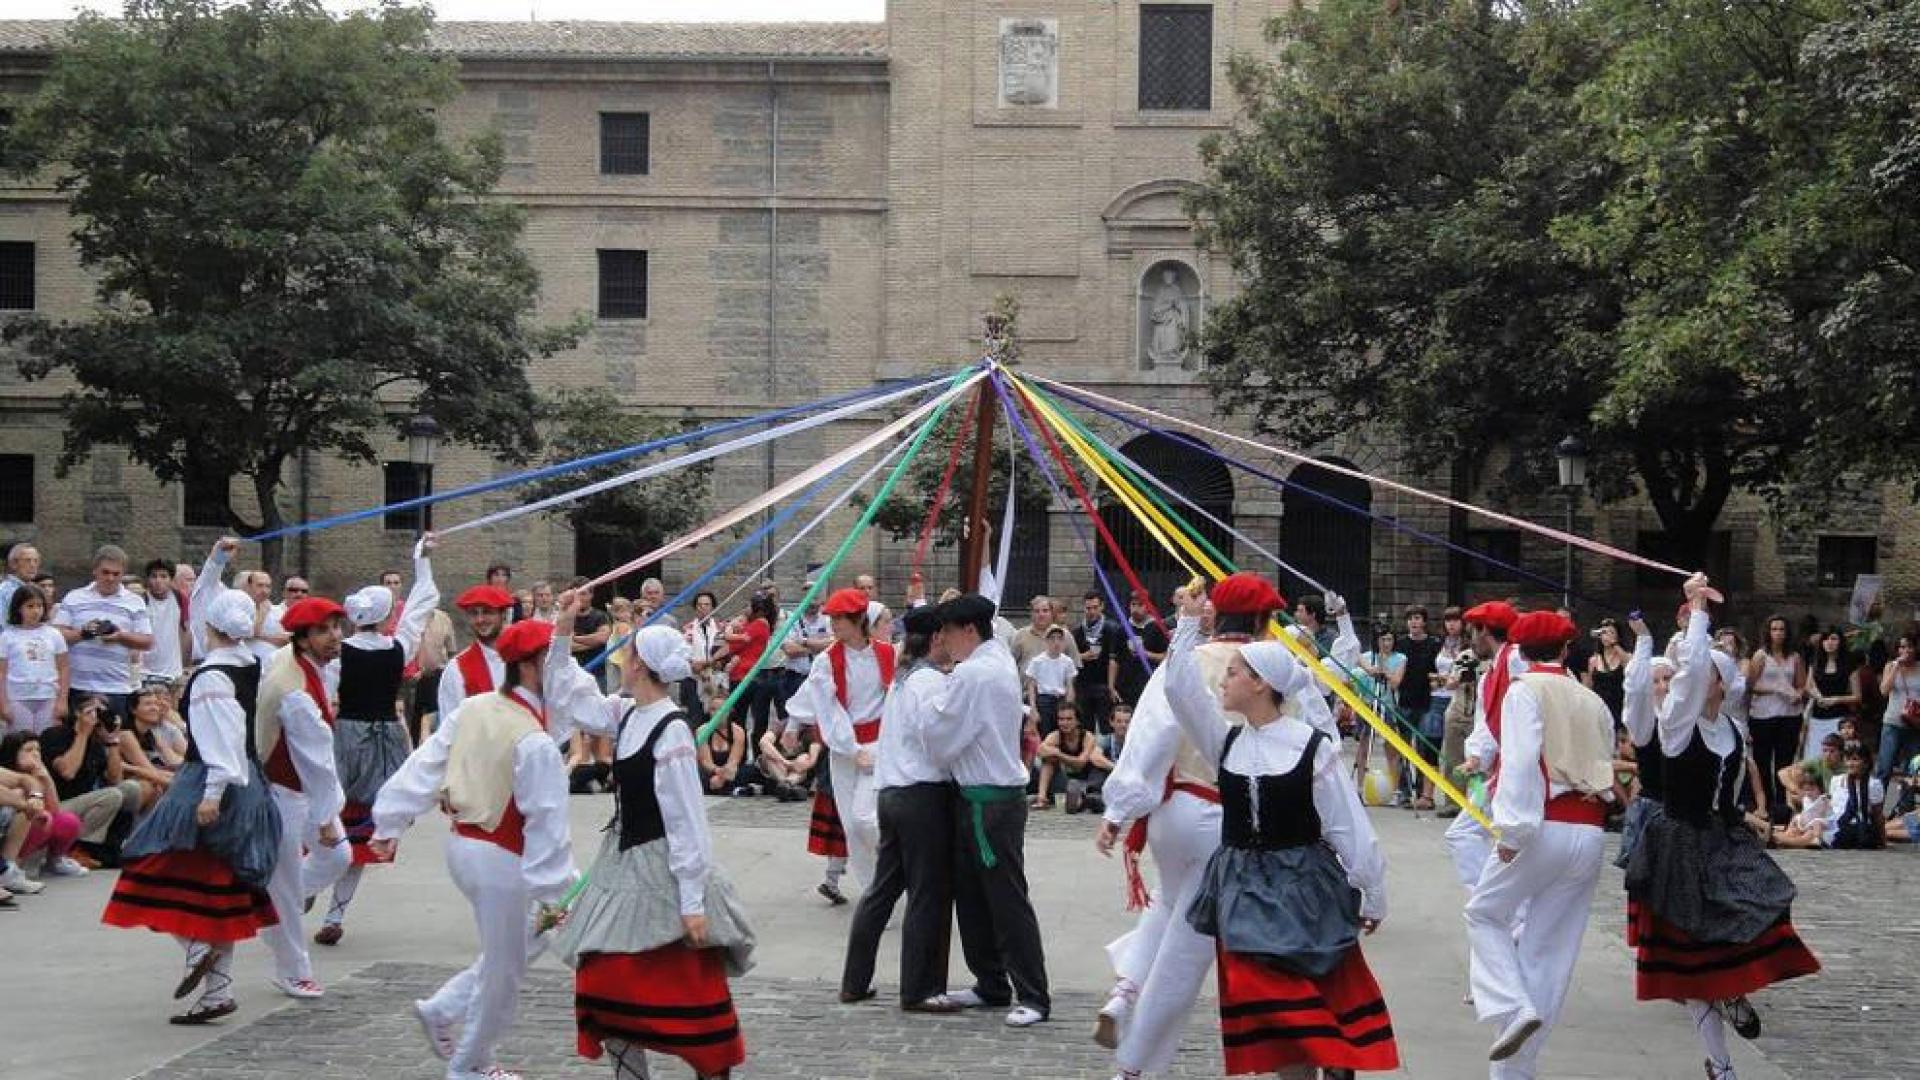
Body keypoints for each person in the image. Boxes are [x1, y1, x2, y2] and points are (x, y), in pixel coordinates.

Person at [1159, 591, 1396, 1078]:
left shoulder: (1311, 747)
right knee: (1262, 999)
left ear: (1261, 683)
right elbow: (1180, 691)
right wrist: (1186, 623)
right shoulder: (1225, 740)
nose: (1222, 679)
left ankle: (1327, 1055)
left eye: (1233, 672)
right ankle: (1321, 1054)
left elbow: (1347, 824)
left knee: (1298, 994)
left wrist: (1372, 893)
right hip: (1241, 888)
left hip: (1303, 886)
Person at [1091, 572, 1290, 1072]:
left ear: (1216, 614)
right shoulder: (1274, 671)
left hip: (1174, 812)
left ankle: (1124, 991)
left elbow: (1151, 737)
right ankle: (1134, 1066)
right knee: (1186, 954)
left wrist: (1119, 809)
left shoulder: (1185, 663)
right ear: (1263, 619)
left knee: (1167, 904)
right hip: (1227, 821)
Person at [1624, 575, 1820, 1080]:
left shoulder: (1732, 727)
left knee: (1767, 901)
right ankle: (1721, 1065)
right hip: (1679, 846)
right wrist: (1695, 611)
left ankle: (1734, 990)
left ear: (1722, 683)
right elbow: (1682, 673)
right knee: (1694, 968)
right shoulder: (1676, 724)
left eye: (1705, 672)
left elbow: (1731, 788)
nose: (1685, 679)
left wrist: (1751, 820)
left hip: (1721, 840)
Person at [547, 617, 754, 1080]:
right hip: (622, 865)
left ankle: (712, 1071)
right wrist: (562, 631)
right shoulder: (626, 713)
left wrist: (692, 902)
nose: (621, 660)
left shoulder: (672, 729)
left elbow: (687, 820)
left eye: (627, 653)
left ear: (639, 664)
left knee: (684, 991)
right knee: (602, 985)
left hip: (663, 872)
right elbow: (569, 697)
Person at [369, 618, 574, 1080]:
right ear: (529, 666)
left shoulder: (476, 708)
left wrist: (390, 819)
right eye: (552, 660)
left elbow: (425, 764)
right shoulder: (532, 739)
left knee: (528, 939)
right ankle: (471, 1065)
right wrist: (557, 891)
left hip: (468, 850)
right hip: (501, 860)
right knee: (505, 971)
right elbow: (546, 822)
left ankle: (443, 1008)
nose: (560, 669)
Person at [101, 590, 280, 1024]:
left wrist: (211, 795)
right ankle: (217, 992)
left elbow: (223, 738)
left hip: (209, 782)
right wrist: (216, 564)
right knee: (218, 888)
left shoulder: (213, 676)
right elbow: (203, 604)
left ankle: (199, 950)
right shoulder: (249, 661)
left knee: (149, 872)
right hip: (246, 780)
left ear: (210, 626)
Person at [1463, 610, 1617, 1077]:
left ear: (1519, 650)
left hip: (1543, 824)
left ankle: (1512, 1005)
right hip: (1590, 830)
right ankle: (1517, 1065)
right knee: (1549, 952)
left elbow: (1521, 761)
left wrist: (1513, 831)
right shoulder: (1592, 699)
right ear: (1566, 649)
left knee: (1484, 912)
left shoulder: (1523, 690)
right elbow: (1605, 759)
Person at [924, 593, 1050, 1028]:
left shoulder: (974, 672)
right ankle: (991, 982)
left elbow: (942, 738)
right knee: (973, 897)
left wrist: (926, 703)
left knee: (1005, 900)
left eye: (947, 632)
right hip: (984, 796)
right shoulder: (994, 658)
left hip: (989, 801)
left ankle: (1033, 993)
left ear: (969, 630)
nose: (943, 640)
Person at [315, 535, 440, 946]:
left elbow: (320, 697)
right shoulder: (397, 647)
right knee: (363, 829)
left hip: (345, 739)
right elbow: (422, 604)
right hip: (385, 743)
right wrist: (421, 559)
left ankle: (309, 886)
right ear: (387, 615)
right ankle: (334, 911)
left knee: (330, 818)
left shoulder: (338, 654)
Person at [840, 604, 960, 1010]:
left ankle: (855, 981)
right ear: (936, 638)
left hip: (891, 792)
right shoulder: (929, 681)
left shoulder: (902, 679)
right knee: (926, 893)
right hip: (920, 795)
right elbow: (938, 740)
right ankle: (919, 988)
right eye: (947, 634)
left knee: (882, 890)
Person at [253, 596, 354, 1000]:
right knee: (287, 883)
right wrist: (327, 817)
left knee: (338, 857)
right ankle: (294, 971)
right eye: (323, 631)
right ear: (302, 638)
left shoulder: (300, 664)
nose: (335, 636)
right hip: (283, 793)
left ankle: (275, 910)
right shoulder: (294, 690)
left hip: (301, 790)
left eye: (336, 628)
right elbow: (316, 760)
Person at [783, 587, 894, 897]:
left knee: (866, 819)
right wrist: (794, 726)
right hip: (846, 749)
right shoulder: (827, 660)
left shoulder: (888, 653)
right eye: (831, 619)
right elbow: (821, 703)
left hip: (880, 747)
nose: (832, 625)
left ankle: (897, 862)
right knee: (852, 824)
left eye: (839, 619)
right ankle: (875, 891)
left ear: (858, 619)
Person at [53, 545, 154, 725]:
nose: (110, 578)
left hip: (116, 687)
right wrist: (83, 633)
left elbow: (147, 642)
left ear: (123, 574)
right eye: (105, 572)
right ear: (95, 571)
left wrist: (120, 636)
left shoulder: (135, 602)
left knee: (114, 738)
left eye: (116, 574)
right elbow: (55, 636)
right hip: (77, 686)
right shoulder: (74, 597)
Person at [1746, 616, 1808, 823]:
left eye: (1782, 629)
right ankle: (1765, 803)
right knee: (1762, 760)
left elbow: (1801, 684)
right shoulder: (1761, 655)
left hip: (1789, 714)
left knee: (1784, 760)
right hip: (1763, 715)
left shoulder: (1795, 657)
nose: (1778, 633)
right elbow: (1751, 685)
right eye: (1774, 629)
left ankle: (1783, 805)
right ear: (1768, 632)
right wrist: (1775, 689)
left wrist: (1798, 694)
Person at [438, 585, 514, 722]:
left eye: (487, 612)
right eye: (474, 613)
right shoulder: (457, 669)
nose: (480, 620)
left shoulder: (522, 660)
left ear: (503, 614)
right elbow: (451, 723)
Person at [2, 583, 69, 735]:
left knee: (46, 740)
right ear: (18, 608)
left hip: (48, 696)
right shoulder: (8, 636)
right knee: (21, 741)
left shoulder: (54, 634)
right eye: (30, 606)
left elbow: (63, 668)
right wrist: (3, 704)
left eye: (39, 606)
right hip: (18, 697)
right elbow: (2, 672)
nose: (36, 611)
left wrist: (62, 700)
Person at [1031, 700, 1096, 811]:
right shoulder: (1055, 736)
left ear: (1077, 721)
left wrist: (1058, 754)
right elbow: (1040, 751)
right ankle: (1041, 798)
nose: (1064, 723)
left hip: (1085, 782)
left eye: (1069, 719)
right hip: (1064, 781)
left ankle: (1079, 800)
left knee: (1053, 756)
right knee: (1048, 760)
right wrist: (1053, 754)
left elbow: (1080, 764)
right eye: (1061, 719)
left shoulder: (1087, 737)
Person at [1804, 629, 1860, 755]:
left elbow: (1857, 696)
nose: (1829, 642)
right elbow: (1808, 686)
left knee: (1836, 755)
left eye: (1833, 639)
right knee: (1814, 755)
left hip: (1839, 718)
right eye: (1826, 639)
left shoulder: (1849, 664)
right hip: (1817, 718)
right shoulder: (1816, 662)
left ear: (1840, 642)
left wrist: (1835, 700)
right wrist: (1819, 697)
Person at [1112, 589, 1168, 711]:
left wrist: (1146, 654)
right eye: (1133, 604)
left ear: (1148, 606)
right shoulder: (1122, 628)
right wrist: (1111, 686)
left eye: (1140, 605)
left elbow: (1167, 657)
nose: (1136, 609)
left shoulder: (1157, 628)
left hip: (1148, 685)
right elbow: (1115, 660)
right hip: (1125, 686)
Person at [1074, 592, 1121, 735]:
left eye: (1095, 607)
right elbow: (1069, 657)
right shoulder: (1077, 631)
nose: (1092, 612)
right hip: (1083, 685)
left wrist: (1111, 686)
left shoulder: (1113, 629)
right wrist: (1083, 656)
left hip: (1104, 685)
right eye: (1088, 608)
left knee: (1107, 728)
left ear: (1102, 606)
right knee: (1085, 727)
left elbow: (1115, 659)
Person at [1875, 634, 1920, 781]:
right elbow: (1884, 691)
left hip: (1915, 723)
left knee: (1913, 766)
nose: (1906, 650)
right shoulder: (1890, 666)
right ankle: (1879, 794)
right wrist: (1896, 667)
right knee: (1885, 764)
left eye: (1909, 646)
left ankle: (1908, 796)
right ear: (1897, 650)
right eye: (1902, 647)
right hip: (1893, 721)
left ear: (1915, 648)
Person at [1024, 625, 1077, 735]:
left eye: (1059, 639)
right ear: (1046, 641)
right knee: (1045, 733)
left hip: (1061, 700)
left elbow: (1070, 686)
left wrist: (1069, 706)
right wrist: (1033, 708)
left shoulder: (1067, 662)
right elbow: (1031, 686)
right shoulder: (1037, 661)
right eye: (1052, 639)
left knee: (1062, 733)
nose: (1056, 642)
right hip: (1044, 700)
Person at [142, 559, 188, 684]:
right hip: (146, 673)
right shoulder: (141, 600)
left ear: (171, 580)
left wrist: (184, 665)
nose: (158, 581)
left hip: (173, 673)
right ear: (148, 579)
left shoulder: (180, 598)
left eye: (163, 576)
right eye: (154, 576)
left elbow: (185, 630)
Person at [1584, 618, 1630, 727]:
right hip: (1600, 708)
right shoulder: (1594, 660)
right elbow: (1589, 686)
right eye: (1604, 633)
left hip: (1619, 707)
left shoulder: (1624, 657)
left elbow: (1630, 664)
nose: (1607, 636)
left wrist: (1614, 644)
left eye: (1611, 632)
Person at [698, 708, 748, 796]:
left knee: (748, 771)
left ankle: (724, 787)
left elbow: (734, 761)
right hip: (710, 772)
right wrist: (718, 771)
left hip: (730, 772)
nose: (718, 713)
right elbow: (706, 762)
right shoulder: (702, 730)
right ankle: (732, 789)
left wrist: (722, 778)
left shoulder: (737, 731)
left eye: (721, 709)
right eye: (713, 709)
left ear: (729, 711)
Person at [0, 542, 41, 617]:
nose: (33, 565)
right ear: (13, 564)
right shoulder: (5, 591)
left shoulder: (35, 589)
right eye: (27, 560)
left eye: (36, 561)